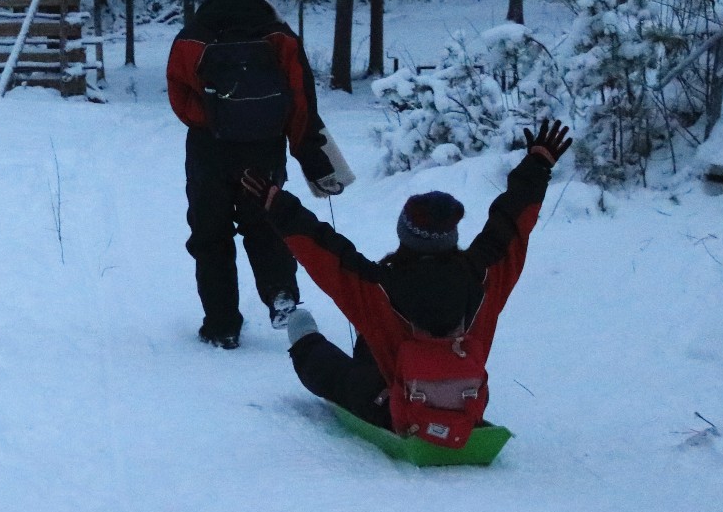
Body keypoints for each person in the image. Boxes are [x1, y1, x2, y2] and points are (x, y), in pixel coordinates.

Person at [239, 120, 572, 434]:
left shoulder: (379, 286)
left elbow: (327, 252)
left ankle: (304, 335)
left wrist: (277, 205)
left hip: (395, 409)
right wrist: (537, 166)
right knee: (378, 337)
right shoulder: (484, 275)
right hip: (466, 405)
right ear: (451, 236)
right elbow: (510, 226)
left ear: (405, 235)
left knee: (336, 373)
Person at [167, 0, 353, 348]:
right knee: (265, 224)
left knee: (210, 234)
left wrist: (213, 118)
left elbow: (179, 95)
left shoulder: (195, 32)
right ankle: (281, 292)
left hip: (209, 151)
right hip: (264, 151)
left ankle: (222, 326)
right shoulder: (279, 33)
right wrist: (307, 152)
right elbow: (300, 100)